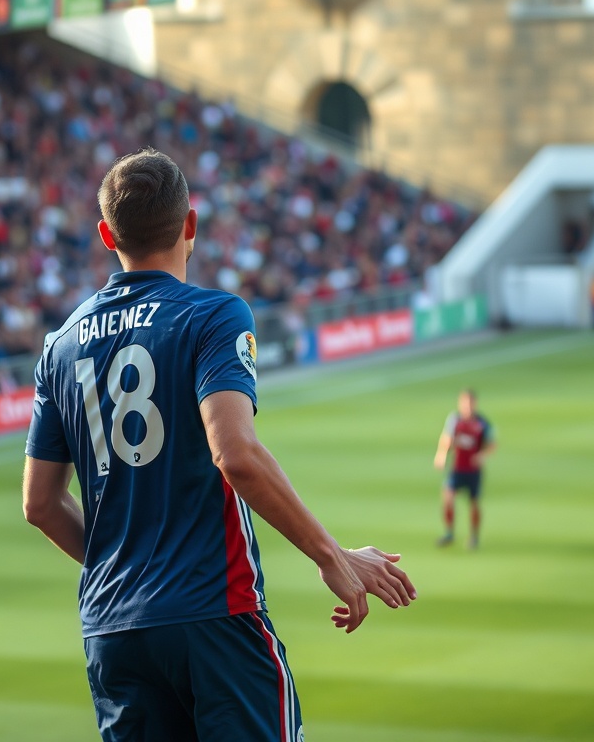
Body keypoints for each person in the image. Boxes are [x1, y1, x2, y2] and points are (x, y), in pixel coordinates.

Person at [22, 149, 417, 742]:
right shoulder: (213, 315)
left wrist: (127, 570)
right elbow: (235, 455)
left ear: (107, 235)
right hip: (213, 616)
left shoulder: (60, 345)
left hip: (112, 630)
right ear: (190, 224)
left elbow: (39, 504)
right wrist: (330, 555)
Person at [433, 389, 495, 550]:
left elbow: (492, 443)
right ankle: (449, 532)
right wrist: (441, 455)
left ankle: (474, 536)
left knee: (474, 503)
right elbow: (447, 438)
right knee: (448, 497)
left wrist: (481, 456)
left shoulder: (482, 423)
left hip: (473, 470)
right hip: (457, 468)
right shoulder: (454, 420)